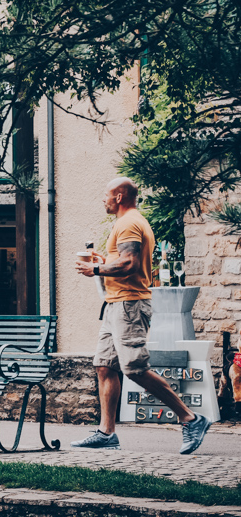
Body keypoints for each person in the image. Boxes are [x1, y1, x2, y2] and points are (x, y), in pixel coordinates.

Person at [73, 176, 211, 455]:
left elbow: (130, 262)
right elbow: (124, 260)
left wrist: (97, 270)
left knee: (134, 368)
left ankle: (191, 419)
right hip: (115, 304)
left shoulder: (128, 222)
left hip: (129, 305)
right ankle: (106, 433)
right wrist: (104, 262)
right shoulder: (127, 223)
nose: (104, 199)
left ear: (120, 197)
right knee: (104, 366)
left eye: (107, 194)